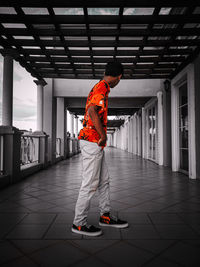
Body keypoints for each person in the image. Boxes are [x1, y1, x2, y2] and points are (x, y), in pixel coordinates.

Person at [72, 62, 128, 236]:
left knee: (104, 181)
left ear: (105, 72)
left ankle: (105, 216)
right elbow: (91, 111)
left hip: (93, 142)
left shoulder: (101, 86)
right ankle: (79, 223)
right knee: (89, 184)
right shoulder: (101, 88)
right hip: (92, 141)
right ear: (119, 77)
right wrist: (103, 135)